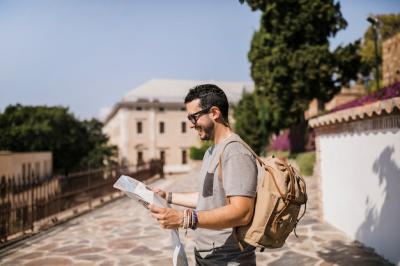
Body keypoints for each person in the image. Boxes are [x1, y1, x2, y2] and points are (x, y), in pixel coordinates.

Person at [149, 84, 258, 265]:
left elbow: (242, 212)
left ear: (214, 113)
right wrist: (168, 196)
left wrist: (185, 219)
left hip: (229, 258)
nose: (192, 125)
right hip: (208, 254)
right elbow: (210, 198)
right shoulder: (212, 151)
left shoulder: (235, 152)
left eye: (194, 117)